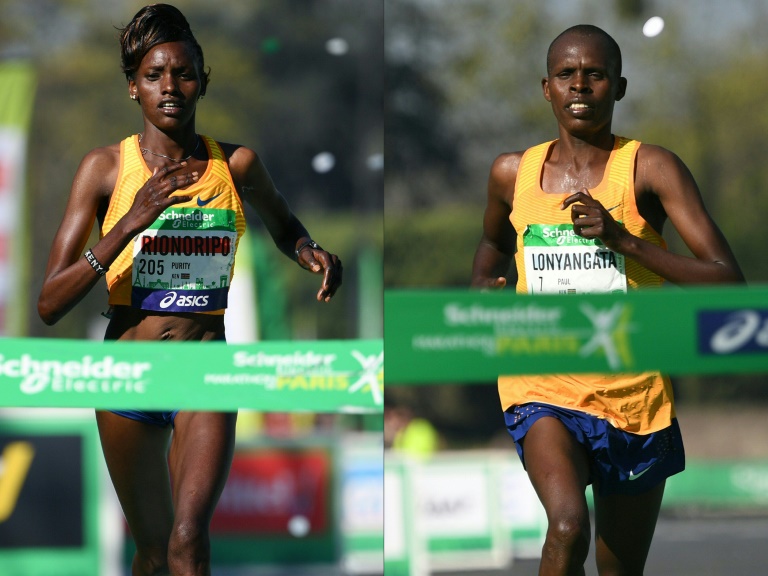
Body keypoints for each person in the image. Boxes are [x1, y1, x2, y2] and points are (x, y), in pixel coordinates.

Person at [37, 4, 342, 575]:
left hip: (205, 370)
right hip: (126, 377)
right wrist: (130, 222)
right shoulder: (104, 169)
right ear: (132, 87)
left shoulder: (237, 164)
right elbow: (51, 302)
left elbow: (286, 225)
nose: (170, 88)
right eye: (153, 76)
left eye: (183, 73)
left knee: (187, 539)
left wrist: (309, 252)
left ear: (204, 79)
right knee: (153, 552)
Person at [471, 24, 744, 575]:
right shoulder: (512, 173)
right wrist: (485, 291)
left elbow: (728, 281)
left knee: (619, 569)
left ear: (618, 88)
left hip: (634, 394)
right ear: (545, 88)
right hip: (539, 381)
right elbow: (492, 248)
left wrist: (623, 241)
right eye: (566, 75)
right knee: (568, 526)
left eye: (594, 75)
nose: (580, 87)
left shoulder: (651, 168)